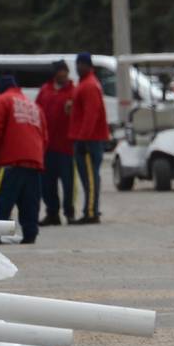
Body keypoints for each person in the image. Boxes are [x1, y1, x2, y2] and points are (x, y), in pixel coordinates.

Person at [0, 74, 47, 244]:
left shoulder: (1, 100)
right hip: (34, 161)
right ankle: (30, 234)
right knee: (30, 201)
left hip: (10, 161)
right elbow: (45, 137)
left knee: (1, 200)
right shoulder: (33, 105)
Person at [36, 60, 76, 226]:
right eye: (60, 71)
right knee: (47, 184)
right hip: (47, 147)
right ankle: (52, 213)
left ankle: (70, 213)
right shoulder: (45, 91)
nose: (63, 74)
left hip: (67, 147)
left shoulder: (74, 91)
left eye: (65, 71)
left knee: (69, 184)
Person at [69, 52, 108, 224]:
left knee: (90, 177)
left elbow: (91, 114)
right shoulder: (84, 84)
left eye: (81, 64)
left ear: (88, 65)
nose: (78, 67)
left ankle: (91, 212)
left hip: (88, 140)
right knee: (87, 177)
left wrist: (84, 139)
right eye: (77, 64)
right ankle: (90, 209)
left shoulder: (90, 85)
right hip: (85, 138)